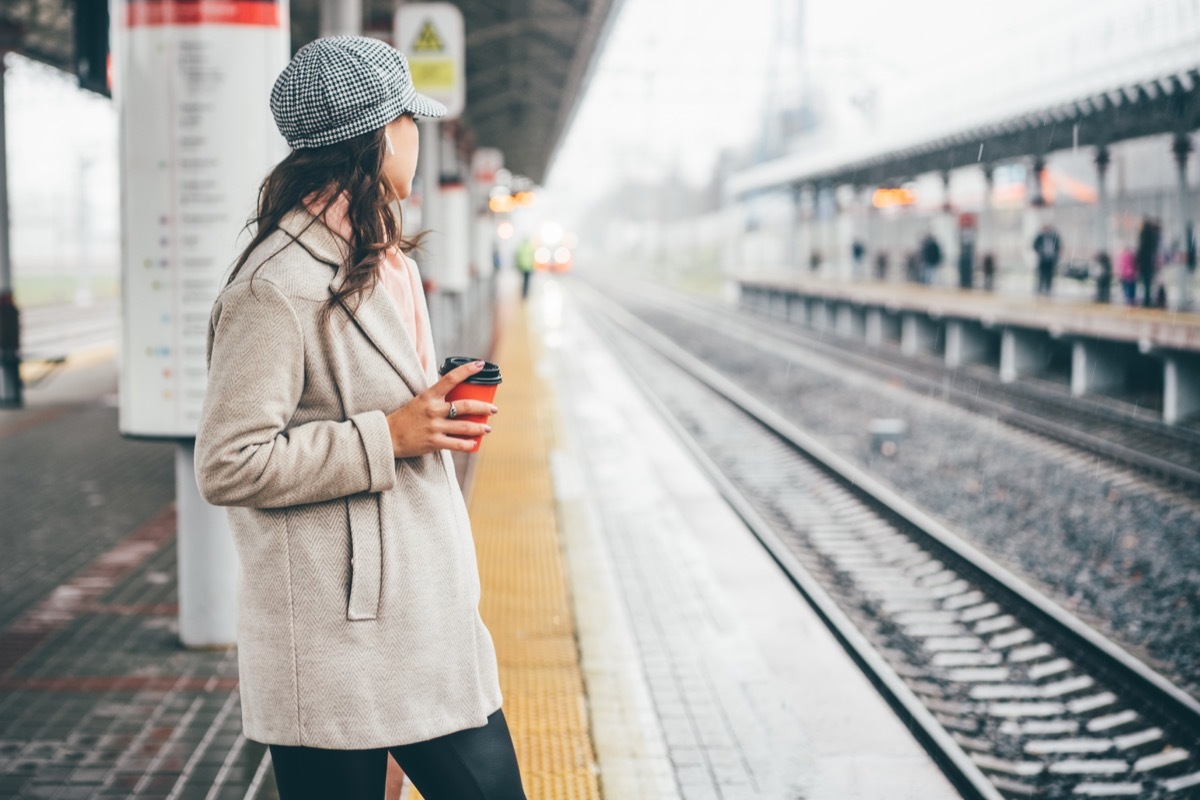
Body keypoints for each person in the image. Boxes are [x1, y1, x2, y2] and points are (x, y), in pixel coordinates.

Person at [193, 37, 526, 800]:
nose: (420, 133)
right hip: (337, 637)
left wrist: (429, 407)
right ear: (377, 134)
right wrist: (392, 436)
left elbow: (369, 400)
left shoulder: (380, 263)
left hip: (421, 615)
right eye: (411, 118)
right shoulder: (275, 286)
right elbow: (229, 460)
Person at [1136, 216, 1161, 308]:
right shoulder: (1153, 235)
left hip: (1145, 262)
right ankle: (1148, 299)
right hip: (1150, 261)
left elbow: (1141, 249)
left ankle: (1146, 300)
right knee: (1148, 282)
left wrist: (1137, 261)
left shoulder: (1144, 234)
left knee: (1146, 282)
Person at [1032, 223, 1061, 296]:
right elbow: (1034, 245)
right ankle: (1040, 288)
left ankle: (1048, 288)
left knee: (1050, 274)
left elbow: (1058, 246)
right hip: (1042, 258)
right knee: (1041, 274)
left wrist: (1056, 253)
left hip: (1051, 258)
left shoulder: (1054, 237)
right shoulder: (1039, 237)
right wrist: (1040, 251)